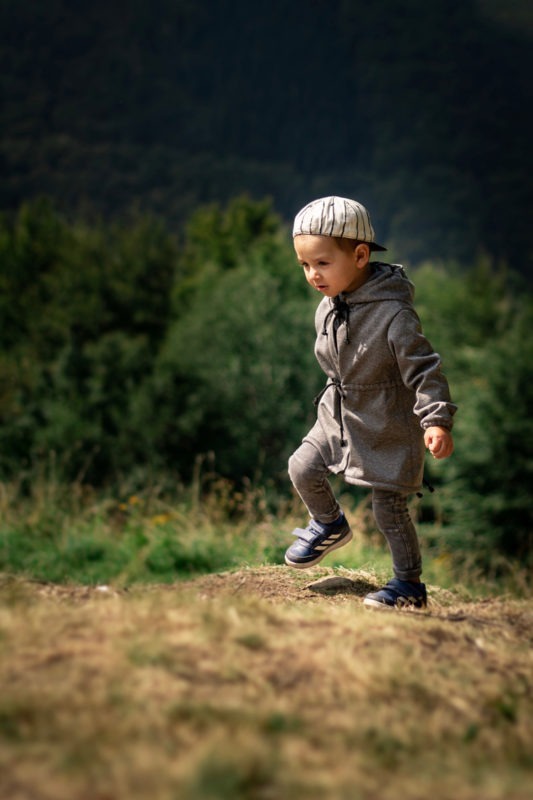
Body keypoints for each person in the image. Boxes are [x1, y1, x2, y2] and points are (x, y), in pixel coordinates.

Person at [284, 196, 456, 610]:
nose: (312, 275)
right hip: (338, 414)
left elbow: (425, 369)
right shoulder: (330, 305)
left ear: (360, 255)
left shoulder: (395, 314)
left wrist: (436, 420)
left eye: (322, 263)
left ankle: (408, 586)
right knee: (301, 467)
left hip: (386, 422)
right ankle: (329, 523)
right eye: (305, 265)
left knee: (389, 510)